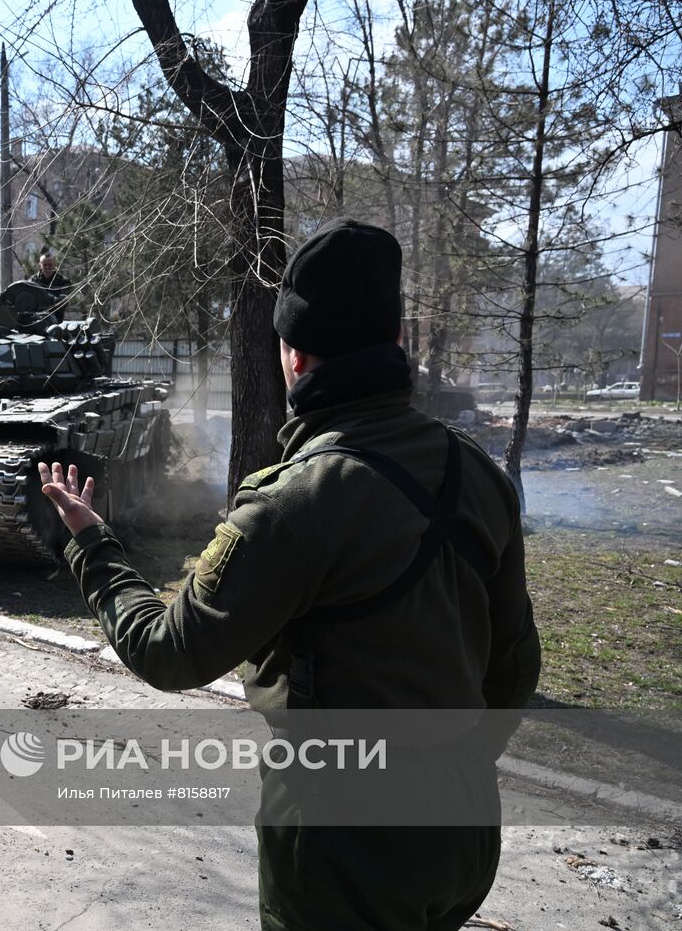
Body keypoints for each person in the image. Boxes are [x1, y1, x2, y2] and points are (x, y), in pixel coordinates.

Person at [37, 217, 540, 931]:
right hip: (463, 830)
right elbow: (515, 666)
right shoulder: (477, 472)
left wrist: (92, 543)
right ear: (396, 341)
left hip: (344, 853)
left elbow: (166, 651)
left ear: (294, 360)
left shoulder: (294, 502)